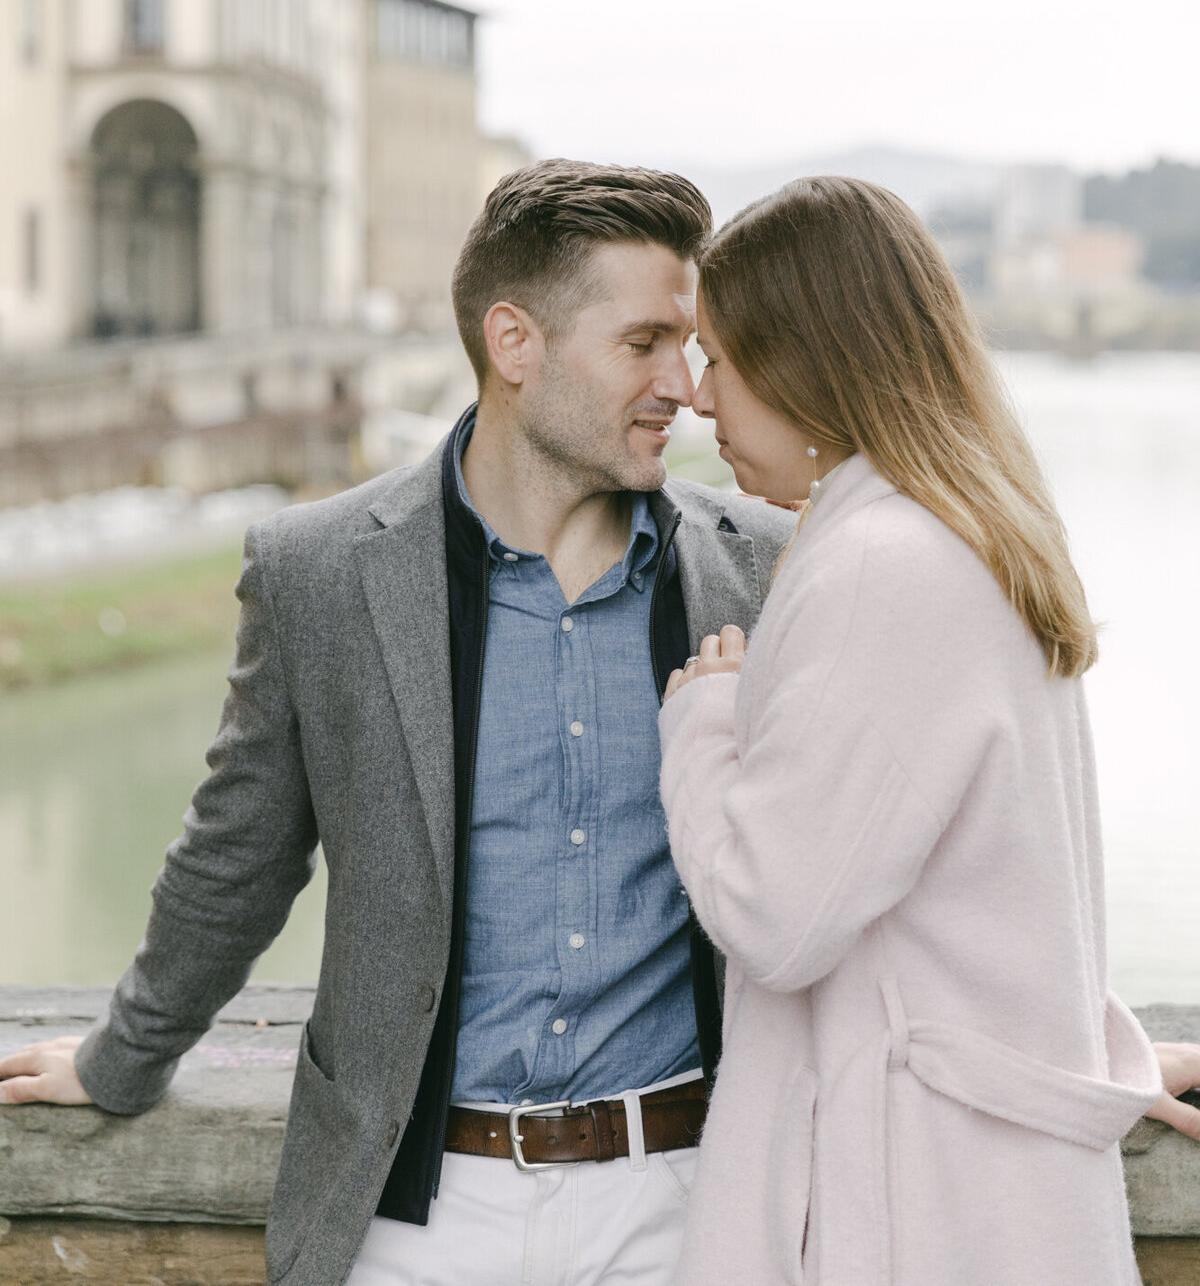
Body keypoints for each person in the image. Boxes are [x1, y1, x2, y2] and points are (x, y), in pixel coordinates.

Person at [0, 160, 795, 1286]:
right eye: (645, 344)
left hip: (695, 1204)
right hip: (414, 1220)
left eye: (691, 343)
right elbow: (237, 857)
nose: (688, 383)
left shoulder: (765, 567)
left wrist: (1086, 1049)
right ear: (513, 343)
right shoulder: (317, 572)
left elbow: (885, 862)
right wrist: (124, 1059)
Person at [657, 174, 1200, 1286]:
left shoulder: (877, 568)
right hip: (986, 1193)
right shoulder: (970, 532)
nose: (701, 398)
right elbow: (1004, 891)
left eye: (720, 356)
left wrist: (703, 724)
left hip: (911, 1209)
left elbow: (773, 915)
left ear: (807, 361)